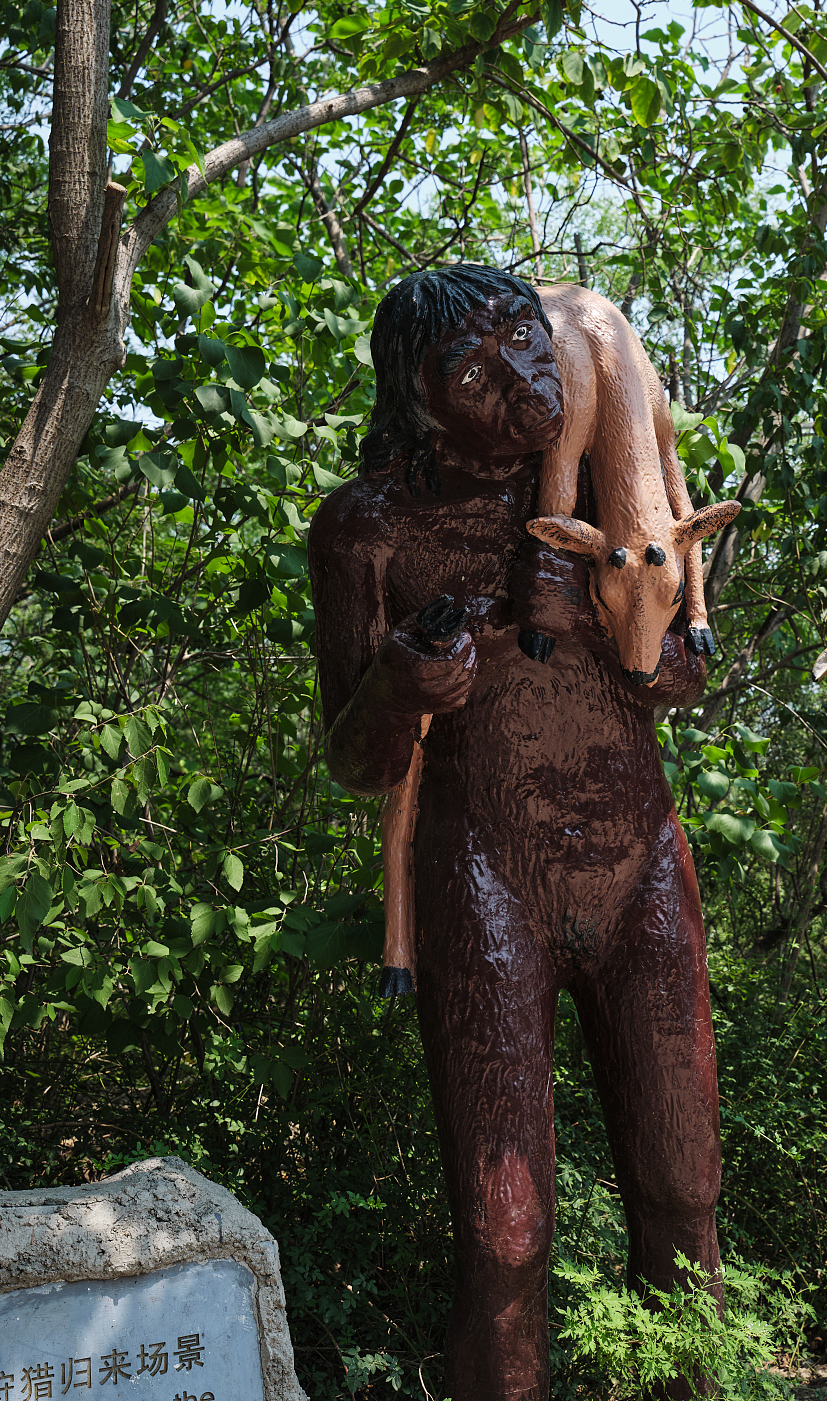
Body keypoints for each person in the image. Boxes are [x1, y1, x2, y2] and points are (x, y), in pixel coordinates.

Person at [308, 264, 723, 1401]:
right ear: (415, 397)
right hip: (481, 874)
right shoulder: (368, 529)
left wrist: (641, 613)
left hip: (637, 865)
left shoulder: (615, 484)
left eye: (527, 351)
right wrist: (400, 689)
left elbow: (680, 674)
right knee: (503, 1232)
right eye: (472, 374)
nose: (520, 388)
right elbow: (352, 757)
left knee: (684, 1191)